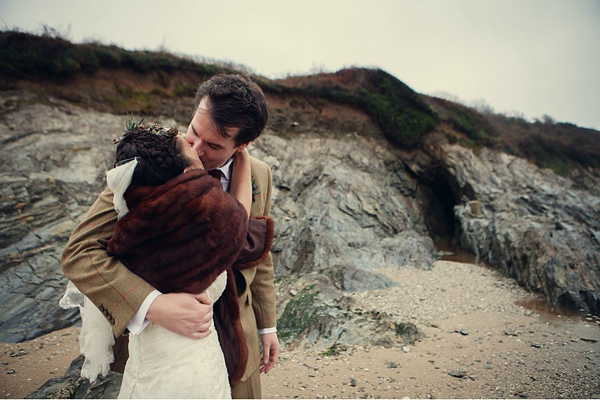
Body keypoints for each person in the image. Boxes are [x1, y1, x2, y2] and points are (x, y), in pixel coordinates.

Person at [61, 74, 280, 398]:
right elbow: (79, 252)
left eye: (215, 146)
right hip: (166, 343)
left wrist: (268, 326)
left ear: (242, 144)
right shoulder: (154, 162)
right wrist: (153, 306)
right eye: (193, 131)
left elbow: (260, 254)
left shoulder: (259, 173)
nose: (196, 148)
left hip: (238, 337)